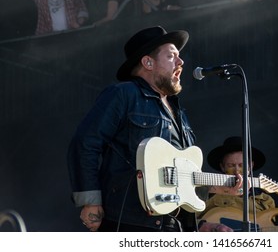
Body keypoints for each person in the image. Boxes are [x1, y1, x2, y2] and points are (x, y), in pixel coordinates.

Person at [67, 26, 233, 232]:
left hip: (173, 226)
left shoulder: (178, 112)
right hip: (130, 221)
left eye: (179, 57)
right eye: (172, 56)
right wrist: (91, 201)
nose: (181, 62)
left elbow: (179, 177)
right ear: (148, 62)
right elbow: (85, 144)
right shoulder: (123, 94)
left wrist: (217, 187)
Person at [197, 136, 278, 232]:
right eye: (231, 165)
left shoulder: (265, 200)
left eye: (241, 165)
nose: (237, 170)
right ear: (222, 167)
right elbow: (186, 222)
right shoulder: (206, 193)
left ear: (251, 166)